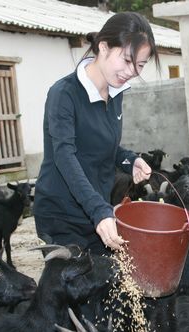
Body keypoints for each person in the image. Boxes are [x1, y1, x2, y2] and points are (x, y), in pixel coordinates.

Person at [33, 12, 158, 254]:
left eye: (140, 65)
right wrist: (99, 210)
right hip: (63, 216)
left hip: (97, 211)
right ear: (103, 47)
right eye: (126, 60)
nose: (131, 71)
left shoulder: (116, 92)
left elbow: (104, 146)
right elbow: (64, 156)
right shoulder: (64, 93)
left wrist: (129, 160)